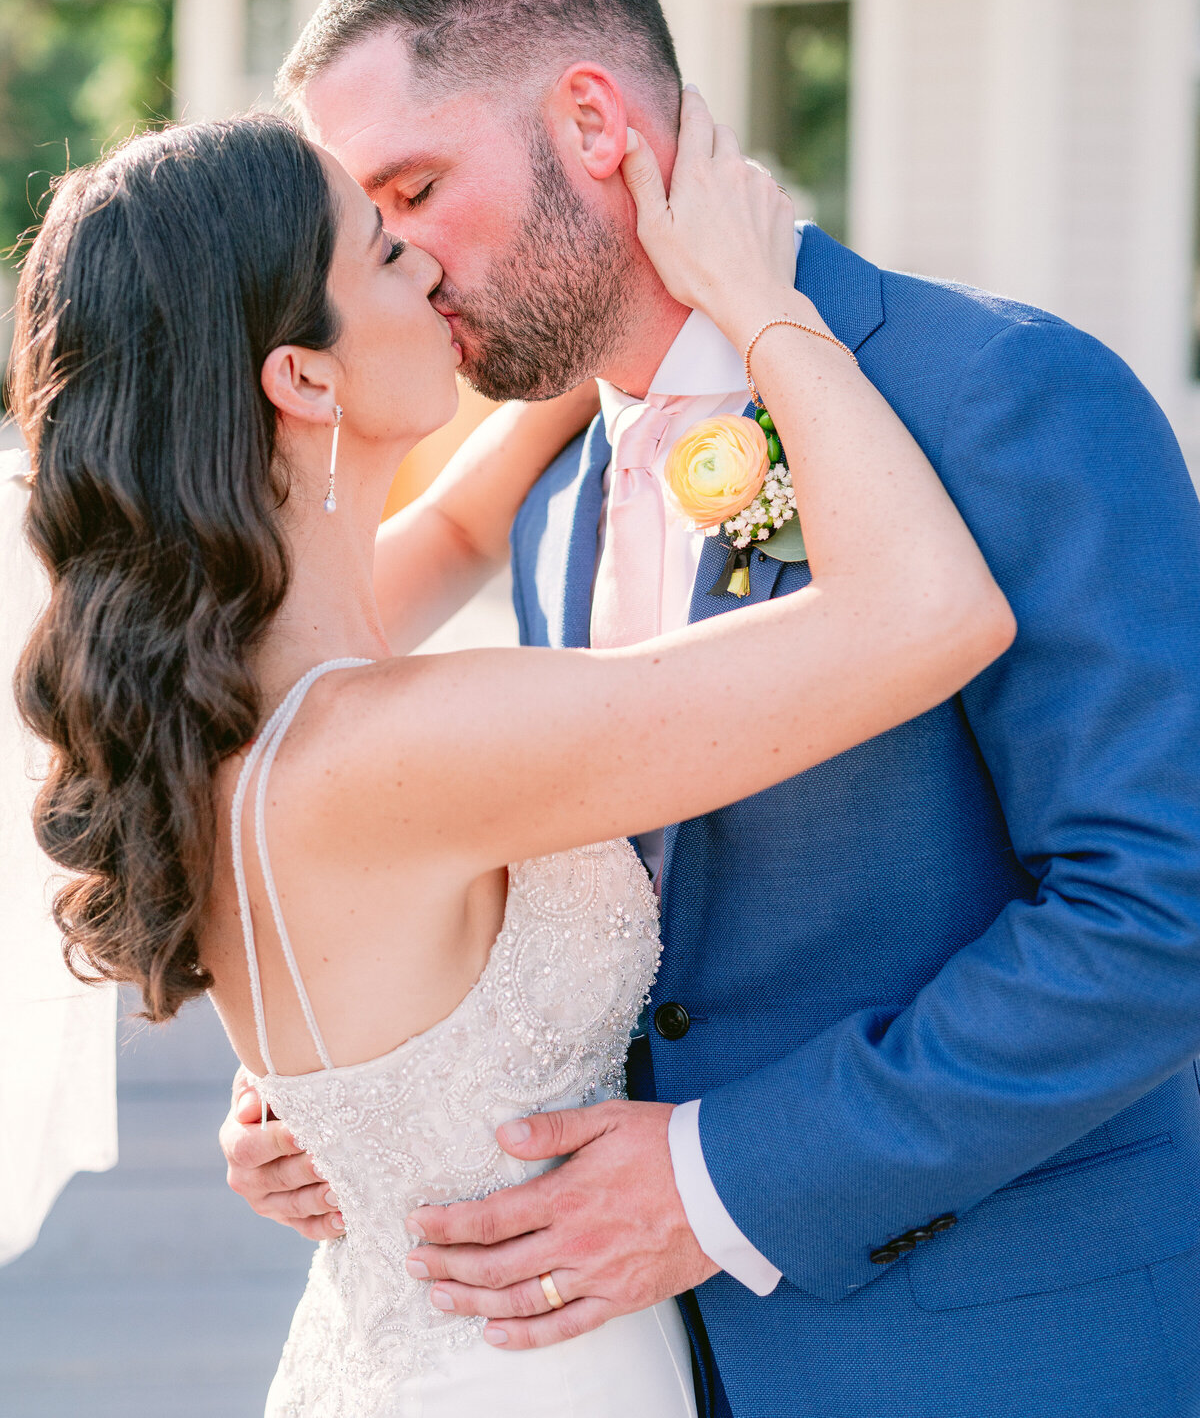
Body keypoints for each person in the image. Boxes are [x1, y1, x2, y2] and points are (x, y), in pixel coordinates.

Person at [222, 0, 1200, 1418]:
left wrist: (715, 1178)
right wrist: (354, 1079)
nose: (399, 263)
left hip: (1003, 1356)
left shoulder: (1006, 394)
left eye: (412, 188)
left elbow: (1160, 915)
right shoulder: (544, 501)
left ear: (595, 124)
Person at [8, 100, 1010, 1416]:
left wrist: (605, 301)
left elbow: (473, 519)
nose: (425, 263)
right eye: (378, 252)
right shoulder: (405, 740)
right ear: (304, 377)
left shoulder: (221, 695)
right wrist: (758, 300)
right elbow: (934, 616)